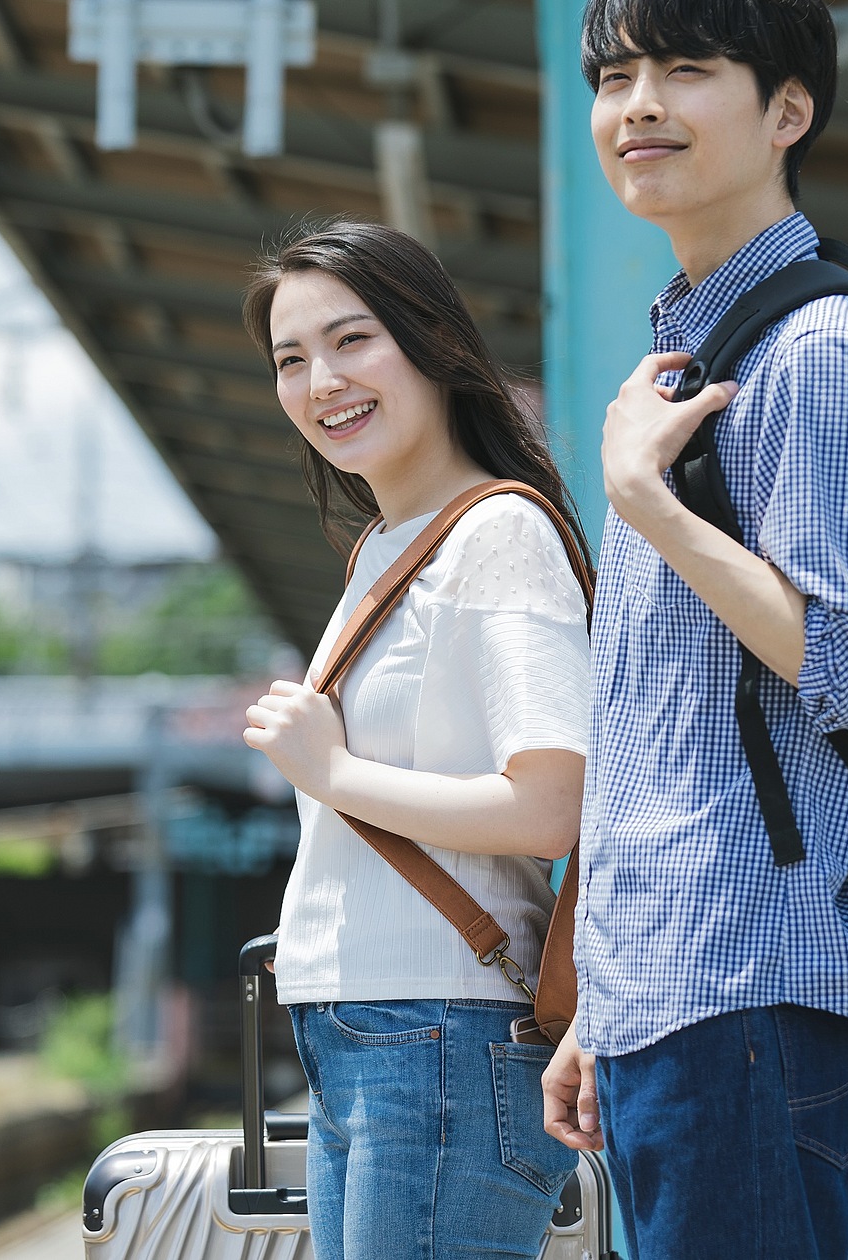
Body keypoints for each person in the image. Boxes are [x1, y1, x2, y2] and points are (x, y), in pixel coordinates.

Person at [539, 0, 848, 1258]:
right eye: (614, 75)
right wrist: (605, 992)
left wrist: (647, 505)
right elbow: (663, 728)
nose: (638, 104)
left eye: (686, 68)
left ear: (787, 111)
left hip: (752, 988)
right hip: (676, 993)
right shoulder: (686, 355)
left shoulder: (818, 350)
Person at [240, 221, 594, 1260]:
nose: (321, 382)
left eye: (352, 341)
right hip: (370, 1034)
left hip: (438, 1031)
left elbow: (549, 805)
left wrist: (334, 771)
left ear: (432, 341)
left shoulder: (496, 536)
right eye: (290, 360)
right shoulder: (383, 550)